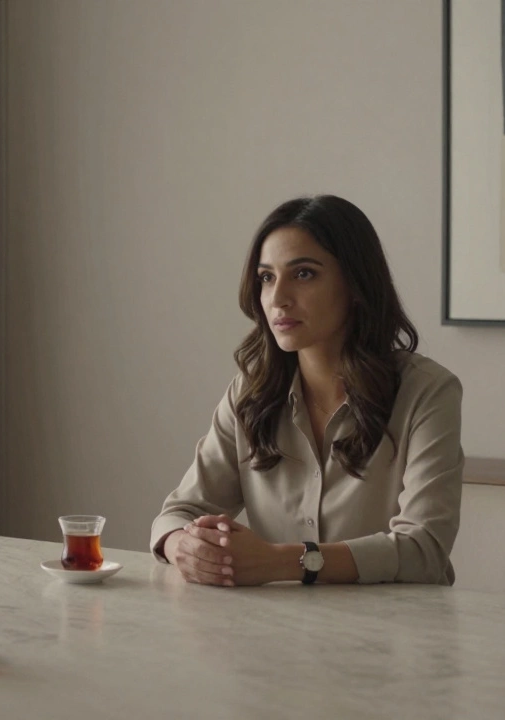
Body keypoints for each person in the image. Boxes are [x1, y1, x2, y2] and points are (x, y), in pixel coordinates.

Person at [151, 195, 463, 587]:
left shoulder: (427, 392)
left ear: (355, 284)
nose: (277, 298)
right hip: (279, 622)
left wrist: (283, 562)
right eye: (267, 277)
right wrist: (182, 545)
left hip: (401, 624)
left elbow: (424, 550)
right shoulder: (251, 393)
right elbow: (179, 512)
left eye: (303, 274)